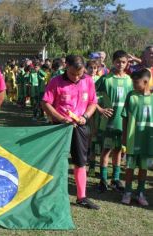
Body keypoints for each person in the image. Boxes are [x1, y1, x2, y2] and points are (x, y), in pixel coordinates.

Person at [42, 55, 99, 210]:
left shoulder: (88, 80)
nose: (76, 77)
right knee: (54, 160)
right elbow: (45, 103)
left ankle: (82, 197)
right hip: (59, 127)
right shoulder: (56, 81)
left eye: (79, 74)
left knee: (80, 161)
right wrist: (61, 118)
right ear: (66, 66)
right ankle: (48, 194)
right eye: (73, 73)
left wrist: (85, 117)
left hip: (80, 126)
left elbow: (93, 102)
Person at [97, 50, 133, 193]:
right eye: (118, 61)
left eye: (123, 62)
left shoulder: (130, 80)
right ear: (113, 62)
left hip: (123, 121)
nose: (120, 64)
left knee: (118, 150)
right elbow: (92, 96)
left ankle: (116, 179)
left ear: (127, 63)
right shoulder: (106, 79)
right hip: (108, 122)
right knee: (106, 150)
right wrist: (100, 109)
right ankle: (103, 179)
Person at [121, 69, 153, 206]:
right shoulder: (131, 95)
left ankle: (140, 192)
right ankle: (127, 192)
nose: (133, 84)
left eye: (136, 82)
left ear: (145, 82)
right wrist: (124, 136)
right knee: (129, 166)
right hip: (132, 139)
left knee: (144, 167)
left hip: (148, 140)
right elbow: (125, 118)